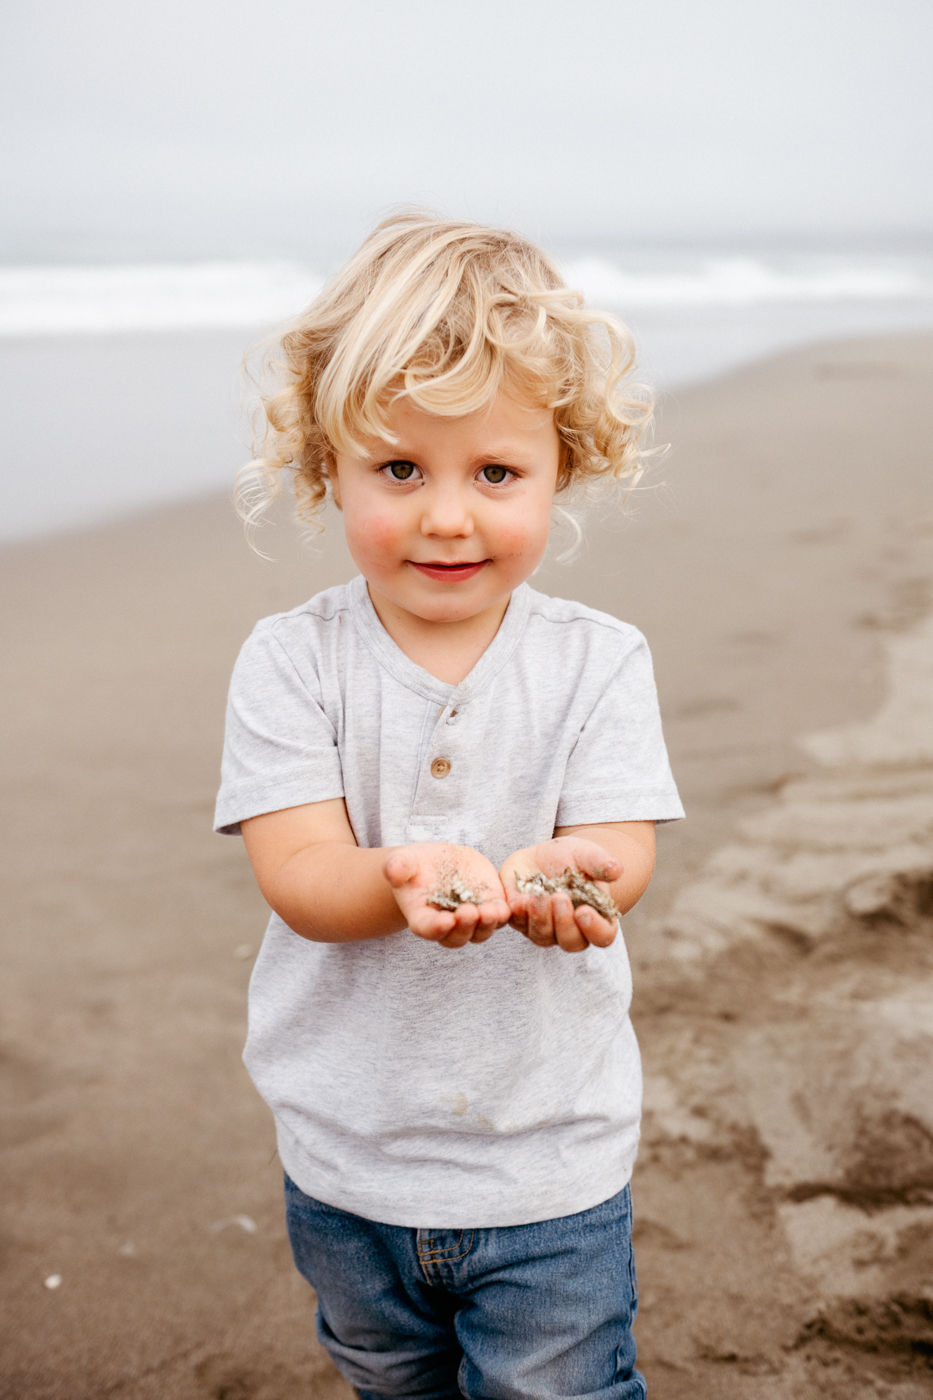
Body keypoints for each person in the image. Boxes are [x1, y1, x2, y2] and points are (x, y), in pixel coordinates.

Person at [214, 212, 684, 1399]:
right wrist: (396, 873)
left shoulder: (600, 659)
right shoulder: (289, 661)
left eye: (496, 471)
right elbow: (301, 871)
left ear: (560, 465)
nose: (447, 515)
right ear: (330, 465)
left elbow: (622, 843)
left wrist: (569, 872)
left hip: (549, 1165)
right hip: (346, 1163)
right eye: (400, 468)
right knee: (389, 1377)